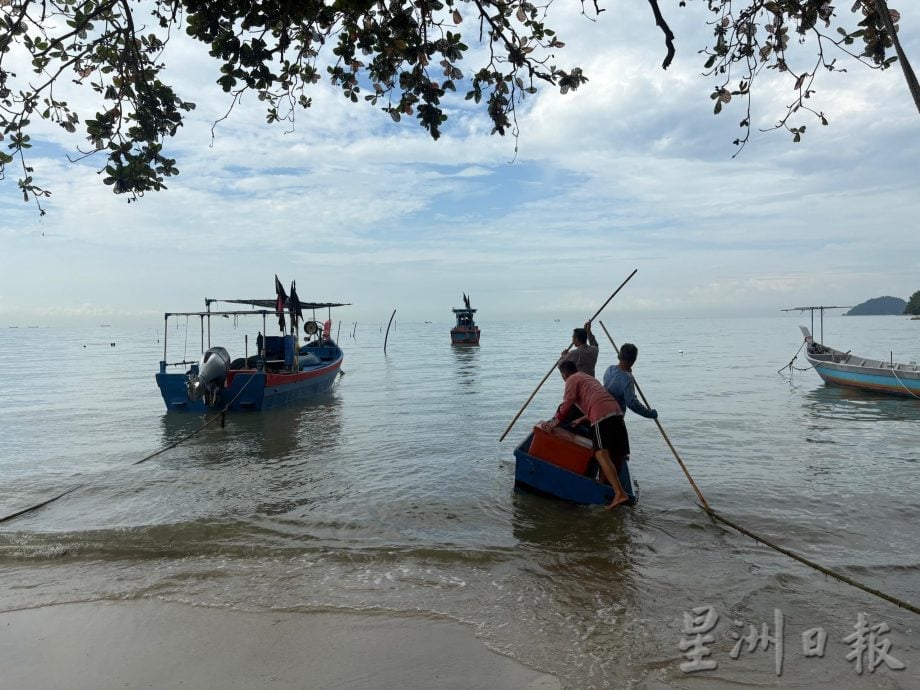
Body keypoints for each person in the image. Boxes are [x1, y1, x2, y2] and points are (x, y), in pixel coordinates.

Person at [542, 360, 631, 510]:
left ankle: (619, 493)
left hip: (601, 416)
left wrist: (555, 422)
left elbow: (568, 402)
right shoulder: (587, 377)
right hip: (616, 412)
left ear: (564, 375)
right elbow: (595, 399)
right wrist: (582, 418)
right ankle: (606, 491)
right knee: (616, 453)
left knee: (601, 454)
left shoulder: (571, 379)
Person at [602, 343, 658, 421]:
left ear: (619, 356)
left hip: (602, 410)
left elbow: (615, 384)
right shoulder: (627, 378)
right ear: (633, 361)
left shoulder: (610, 369)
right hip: (614, 417)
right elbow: (632, 403)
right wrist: (650, 413)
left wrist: (627, 371)